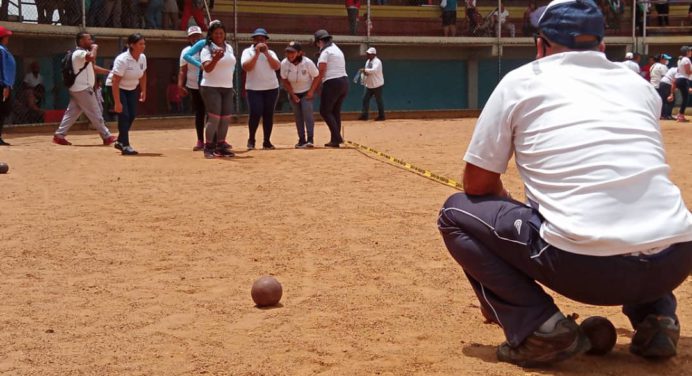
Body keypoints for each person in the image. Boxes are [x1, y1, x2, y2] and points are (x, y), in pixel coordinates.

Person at [438, 0, 692, 368]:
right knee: (636, 194)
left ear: (541, 45)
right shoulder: (638, 85)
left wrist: (510, 204)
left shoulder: (522, 81)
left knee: (454, 212)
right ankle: (658, 318)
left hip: (584, 268)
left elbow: (476, 184)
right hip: (677, 258)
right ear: (602, 46)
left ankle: (538, 327)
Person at [54, 32, 116, 146]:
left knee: (72, 113)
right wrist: (95, 48)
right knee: (95, 112)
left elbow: (93, 67)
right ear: (81, 41)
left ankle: (59, 135)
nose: (91, 42)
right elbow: (92, 57)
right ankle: (106, 136)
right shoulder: (79, 53)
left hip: (79, 88)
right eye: (88, 39)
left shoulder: (83, 54)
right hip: (82, 88)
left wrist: (108, 72)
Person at [198, 21, 236, 159]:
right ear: (211, 35)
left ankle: (221, 146)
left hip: (227, 86)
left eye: (221, 33)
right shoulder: (207, 49)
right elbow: (207, 68)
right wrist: (215, 59)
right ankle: (208, 147)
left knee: (225, 118)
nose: (219, 35)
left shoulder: (229, 48)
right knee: (214, 117)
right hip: (211, 86)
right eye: (216, 33)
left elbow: (231, 66)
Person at [106, 33, 147, 155]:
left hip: (132, 88)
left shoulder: (142, 58)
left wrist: (143, 90)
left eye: (144, 44)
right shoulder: (122, 59)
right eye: (140, 44)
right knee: (124, 115)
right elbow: (115, 81)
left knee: (132, 114)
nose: (143, 46)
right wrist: (117, 102)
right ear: (132, 45)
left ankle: (120, 141)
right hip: (117, 87)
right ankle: (125, 144)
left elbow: (143, 74)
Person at [241, 28, 281, 150]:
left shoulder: (271, 52)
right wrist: (257, 54)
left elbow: (277, 66)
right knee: (255, 113)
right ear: (253, 40)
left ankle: (267, 141)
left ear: (266, 41)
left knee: (268, 114)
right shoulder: (248, 52)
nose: (260, 41)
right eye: (257, 39)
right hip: (254, 88)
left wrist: (266, 54)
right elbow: (246, 67)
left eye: (262, 39)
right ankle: (251, 139)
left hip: (271, 87)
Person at [280, 41, 320, 149]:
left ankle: (310, 139)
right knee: (298, 117)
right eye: (288, 52)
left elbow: (317, 76)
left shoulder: (307, 63)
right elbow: (284, 79)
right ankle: (301, 140)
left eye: (292, 52)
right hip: (293, 93)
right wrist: (292, 94)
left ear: (299, 53)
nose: (290, 55)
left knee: (307, 114)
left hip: (306, 92)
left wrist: (311, 91)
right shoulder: (284, 63)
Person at [314, 29, 348, 148]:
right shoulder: (337, 49)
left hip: (332, 82)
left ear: (319, 42)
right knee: (335, 112)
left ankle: (337, 137)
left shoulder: (326, 52)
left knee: (325, 111)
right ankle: (335, 140)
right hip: (343, 81)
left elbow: (321, 70)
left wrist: (316, 86)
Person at [179, 25, 206, 151]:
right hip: (194, 86)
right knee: (200, 112)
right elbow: (182, 70)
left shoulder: (207, 48)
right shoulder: (186, 52)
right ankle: (200, 140)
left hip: (209, 85)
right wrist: (180, 85)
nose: (195, 38)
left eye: (197, 36)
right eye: (192, 36)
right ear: (189, 39)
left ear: (201, 36)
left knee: (213, 113)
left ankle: (216, 139)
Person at [358, 47, 385, 121]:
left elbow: (373, 70)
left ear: (374, 54)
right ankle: (364, 116)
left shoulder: (377, 61)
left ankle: (381, 116)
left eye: (369, 54)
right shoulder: (367, 61)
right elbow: (367, 72)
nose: (367, 55)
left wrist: (364, 70)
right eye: (367, 54)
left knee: (378, 100)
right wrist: (363, 76)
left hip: (377, 85)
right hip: (369, 85)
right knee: (365, 99)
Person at [0, 26, 14, 146]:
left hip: (5, 84)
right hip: (2, 85)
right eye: (6, 37)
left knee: (4, 111)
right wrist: (5, 85)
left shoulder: (3, 49)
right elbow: (2, 68)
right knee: (2, 111)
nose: (7, 39)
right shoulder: (1, 50)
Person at [650, 53, 673, 120]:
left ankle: (659, 115)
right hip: (660, 86)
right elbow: (665, 77)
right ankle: (665, 115)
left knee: (657, 101)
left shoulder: (653, 65)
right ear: (661, 59)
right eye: (665, 59)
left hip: (653, 85)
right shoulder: (662, 66)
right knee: (665, 101)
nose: (666, 61)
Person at [674, 46, 691, 122]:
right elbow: (688, 72)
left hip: (679, 79)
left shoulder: (681, 60)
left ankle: (680, 115)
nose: (691, 52)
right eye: (690, 51)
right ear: (687, 52)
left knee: (685, 98)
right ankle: (680, 115)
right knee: (685, 98)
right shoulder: (686, 59)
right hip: (683, 79)